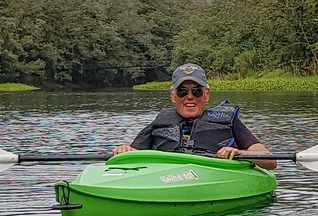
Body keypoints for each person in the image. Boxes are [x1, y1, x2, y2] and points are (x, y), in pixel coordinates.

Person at [113, 63, 276, 169]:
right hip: (166, 178)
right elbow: (134, 152)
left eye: (196, 91)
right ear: (173, 96)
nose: (189, 97)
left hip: (214, 177)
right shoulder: (160, 122)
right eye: (182, 91)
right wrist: (125, 150)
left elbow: (270, 161)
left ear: (206, 94)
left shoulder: (227, 121)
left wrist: (240, 153)